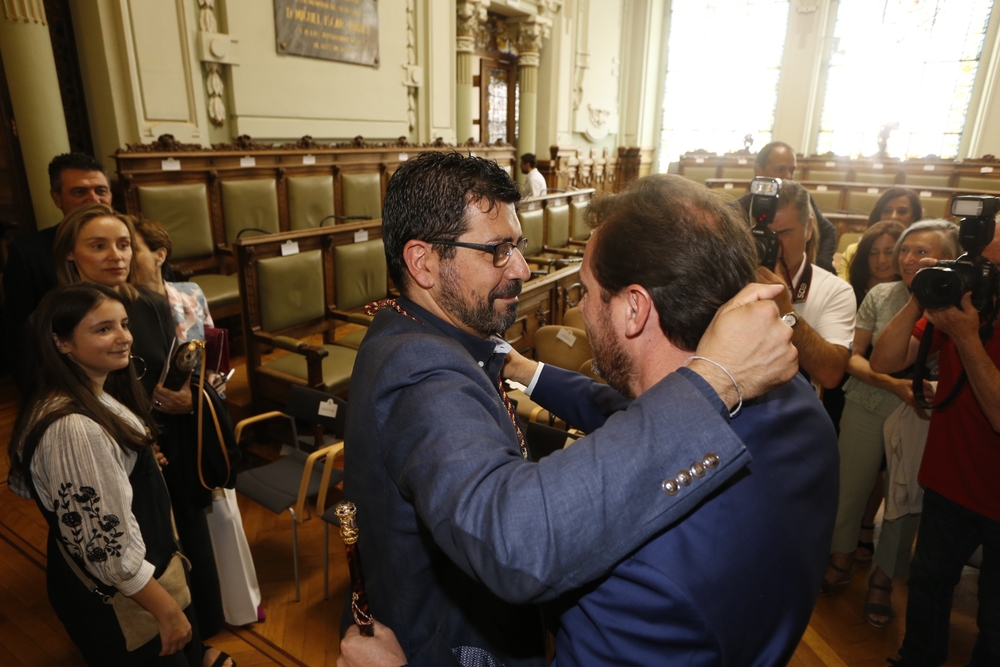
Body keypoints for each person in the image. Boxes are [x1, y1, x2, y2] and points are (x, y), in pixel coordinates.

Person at [339, 174, 839, 667]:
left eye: (585, 292)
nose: (522, 270)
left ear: (634, 309)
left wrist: (713, 382)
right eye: (497, 249)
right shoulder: (798, 404)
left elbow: (517, 538)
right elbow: (646, 415)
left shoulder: (631, 578)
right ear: (422, 261)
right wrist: (532, 371)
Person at [50, 203, 232, 666]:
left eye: (124, 244)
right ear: (71, 255)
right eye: (99, 245)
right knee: (132, 563)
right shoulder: (56, 319)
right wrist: (137, 436)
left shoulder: (147, 303)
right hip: (110, 456)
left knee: (177, 550)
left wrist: (189, 399)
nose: (116, 255)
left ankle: (194, 641)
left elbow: (175, 372)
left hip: (165, 445)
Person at [7, 283, 204, 665]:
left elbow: (29, 486)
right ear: (61, 343)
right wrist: (166, 611)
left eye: (124, 324)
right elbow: (106, 549)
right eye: (103, 329)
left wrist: (117, 474)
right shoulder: (74, 429)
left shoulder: (80, 393)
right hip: (131, 606)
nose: (124, 338)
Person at [870, 220, 1000, 666]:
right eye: (974, 261)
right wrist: (922, 293)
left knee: (995, 616)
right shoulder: (957, 308)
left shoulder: (966, 322)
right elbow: (884, 360)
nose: (978, 271)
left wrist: (966, 337)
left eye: (989, 265)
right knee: (927, 584)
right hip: (949, 477)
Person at [825, 221, 960, 628]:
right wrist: (892, 385)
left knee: (905, 502)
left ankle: (883, 579)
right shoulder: (882, 295)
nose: (908, 259)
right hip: (867, 401)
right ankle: (841, 557)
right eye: (906, 250)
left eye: (923, 252)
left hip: (923, 415)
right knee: (849, 489)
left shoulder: (958, 301)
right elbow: (854, 357)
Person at [133, 218, 263, 627]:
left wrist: (201, 395)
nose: (121, 257)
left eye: (128, 246)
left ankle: (234, 604)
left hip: (198, 418)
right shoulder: (124, 308)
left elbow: (210, 358)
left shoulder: (189, 294)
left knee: (216, 513)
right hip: (154, 428)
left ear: (158, 254)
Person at [3, 153, 113, 390]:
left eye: (100, 190)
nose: (93, 199)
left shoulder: (134, 243)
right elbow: (19, 338)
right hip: (65, 381)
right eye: (79, 192)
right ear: (57, 198)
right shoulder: (28, 255)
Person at [757, 180, 856, 393]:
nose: (774, 244)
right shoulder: (733, 278)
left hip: (794, 415)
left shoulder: (835, 290)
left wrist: (785, 310)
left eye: (783, 234)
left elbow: (831, 374)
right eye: (766, 234)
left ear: (808, 228)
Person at [735, 141, 837, 272]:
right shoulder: (737, 209)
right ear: (758, 170)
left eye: (792, 170)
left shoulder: (800, 200)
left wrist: (819, 266)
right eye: (780, 169)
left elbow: (828, 231)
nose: (788, 176)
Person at [839, 188, 923, 280]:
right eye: (887, 211)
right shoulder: (853, 251)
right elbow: (844, 288)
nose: (893, 216)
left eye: (902, 211)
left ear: (914, 218)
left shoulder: (921, 256)